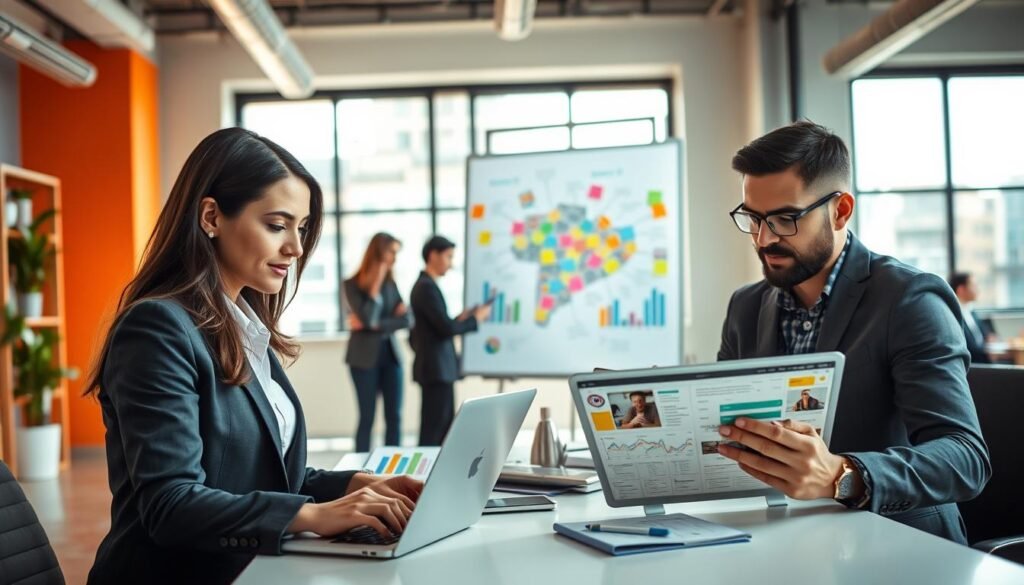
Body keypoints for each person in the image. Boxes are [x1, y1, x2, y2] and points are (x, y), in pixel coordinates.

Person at [85, 128, 422, 585]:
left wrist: (351, 487)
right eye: (277, 225)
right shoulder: (156, 329)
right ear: (211, 217)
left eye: (301, 228)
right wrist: (313, 516)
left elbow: (257, 473)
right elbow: (171, 504)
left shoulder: (245, 329)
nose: (296, 248)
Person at [716, 121, 990, 543]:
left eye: (786, 218)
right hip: (781, 539)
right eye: (753, 218)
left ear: (841, 210)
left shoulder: (910, 300)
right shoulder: (745, 307)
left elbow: (964, 458)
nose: (764, 238)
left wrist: (843, 475)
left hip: (900, 547)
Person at [409, 236, 491, 446]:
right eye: (448, 256)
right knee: (435, 428)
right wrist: (475, 319)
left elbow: (438, 326)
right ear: (433, 255)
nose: (451, 263)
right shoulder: (425, 287)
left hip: (439, 369)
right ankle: (424, 475)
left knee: (442, 426)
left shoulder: (427, 286)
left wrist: (458, 320)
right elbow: (445, 329)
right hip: (436, 369)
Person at [344, 233, 411, 452]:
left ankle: (393, 469)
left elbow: (407, 319)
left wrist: (372, 325)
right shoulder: (352, 285)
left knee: (395, 416)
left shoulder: (391, 284)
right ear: (379, 252)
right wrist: (375, 287)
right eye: (392, 252)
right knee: (367, 417)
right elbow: (369, 317)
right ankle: (359, 471)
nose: (394, 258)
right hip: (363, 359)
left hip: (391, 357)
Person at [948, 272, 993, 364]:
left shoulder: (971, 311)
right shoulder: (953, 315)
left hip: (984, 359)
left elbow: (984, 337)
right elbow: (966, 348)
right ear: (961, 289)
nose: (978, 290)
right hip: (974, 365)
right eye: (974, 286)